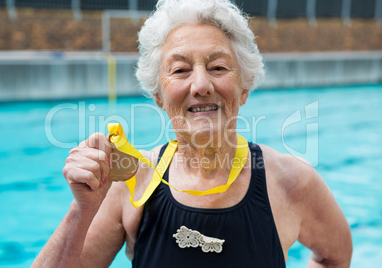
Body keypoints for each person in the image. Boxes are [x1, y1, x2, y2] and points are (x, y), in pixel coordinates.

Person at [33, 0, 352, 267]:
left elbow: (336, 257)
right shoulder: (131, 183)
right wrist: (82, 209)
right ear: (159, 95)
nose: (201, 85)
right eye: (181, 70)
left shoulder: (291, 182)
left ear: (243, 88)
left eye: (217, 68)